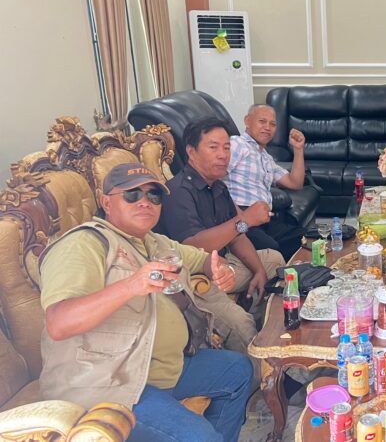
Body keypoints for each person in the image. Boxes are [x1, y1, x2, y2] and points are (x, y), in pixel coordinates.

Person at [38, 163, 251, 441]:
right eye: (131, 194)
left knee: (238, 370)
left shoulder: (156, 243)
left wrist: (222, 270)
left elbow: (204, 260)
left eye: (154, 195)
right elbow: (59, 322)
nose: (144, 202)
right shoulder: (84, 244)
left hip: (159, 368)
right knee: (200, 437)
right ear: (106, 203)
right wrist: (131, 285)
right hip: (111, 382)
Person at [158, 118, 285, 358]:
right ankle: (263, 372)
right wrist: (245, 219)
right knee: (240, 322)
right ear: (191, 152)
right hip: (195, 278)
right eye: (213, 147)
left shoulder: (218, 187)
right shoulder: (177, 192)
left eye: (227, 147)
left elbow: (237, 235)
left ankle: (267, 330)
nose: (223, 155)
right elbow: (193, 245)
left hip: (225, 267)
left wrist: (258, 270)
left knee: (274, 261)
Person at [225, 104, 307, 261]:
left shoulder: (266, 157)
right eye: (262, 121)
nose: (267, 127)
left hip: (265, 220)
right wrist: (241, 216)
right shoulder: (237, 144)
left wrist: (298, 149)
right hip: (242, 218)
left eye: (272, 124)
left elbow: (295, 183)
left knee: (304, 239)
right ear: (247, 121)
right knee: (272, 250)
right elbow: (216, 181)